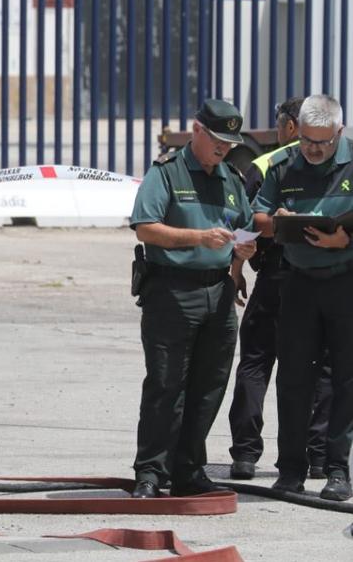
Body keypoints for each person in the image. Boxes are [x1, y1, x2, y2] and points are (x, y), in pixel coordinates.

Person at [128, 99, 256, 499]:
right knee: (166, 384)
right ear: (197, 131)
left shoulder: (231, 179)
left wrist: (241, 257)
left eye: (229, 143)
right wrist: (198, 238)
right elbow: (146, 228)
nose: (223, 149)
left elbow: (245, 227)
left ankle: (188, 469)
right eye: (217, 140)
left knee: (209, 386)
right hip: (172, 290)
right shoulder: (167, 173)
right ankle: (150, 471)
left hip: (218, 293)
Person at [251, 94, 353, 501]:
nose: (312, 149)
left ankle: (336, 469)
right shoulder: (283, 164)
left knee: (345, 379)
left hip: (344, 282)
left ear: (339, 133)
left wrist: (344, 240)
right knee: (293, 377)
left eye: (322, 142)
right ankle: (290, 469)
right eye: (307, 140)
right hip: (297, 284)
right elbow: (256, 217)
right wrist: (278, 223)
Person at [227, 96, 332, 480]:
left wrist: (236, 268)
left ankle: (244, 454)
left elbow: (247, 224)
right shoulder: (336, 157)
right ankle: (319, 457)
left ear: (291, 125)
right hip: (321, 280)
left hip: (275, 276)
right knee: (320, 368)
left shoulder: (267, 163)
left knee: (255, 361)